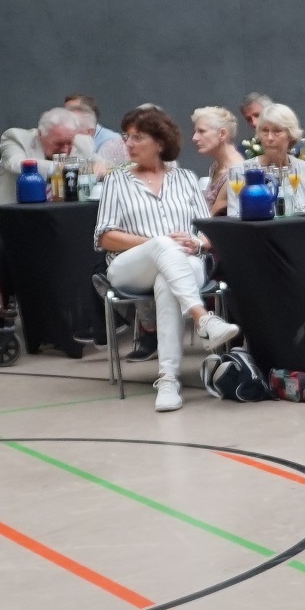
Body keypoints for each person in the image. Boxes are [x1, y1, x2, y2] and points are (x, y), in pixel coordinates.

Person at [90, 106, 241, 413]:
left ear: (159, 143)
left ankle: (168, 380)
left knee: (166, 283)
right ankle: (203, 318)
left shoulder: (186, 179)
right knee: (162, 245)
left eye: (137, 137)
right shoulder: (117, 181)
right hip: (131, 266)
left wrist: (197, 242)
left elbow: (207, 232)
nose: (128, 144)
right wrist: (156, 243)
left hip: (186, 262)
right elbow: (104, 237)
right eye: (126, 137)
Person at [0, 106, 100, 205]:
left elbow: (103, 164)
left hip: (65, 212)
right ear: (40, 134)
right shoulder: (16, 137)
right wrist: (61, 168)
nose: (65, 149)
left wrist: (102, 168)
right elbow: (15, 163)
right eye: (59, 143)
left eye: (69, 143)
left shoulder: (83, 143)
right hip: (10, 211)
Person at [250, 104, 305, 212]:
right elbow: (235, 216)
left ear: (291, 135)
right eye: (265, 131)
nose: (269, 138)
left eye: (277, 131)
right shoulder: (242, 172)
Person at [188, 106, 245, 213]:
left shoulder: (236, 172)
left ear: (222, 134)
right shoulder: (217, 166)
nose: (194, 138)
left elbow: (212, 216)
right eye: (195, 131)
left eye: (201, 131)